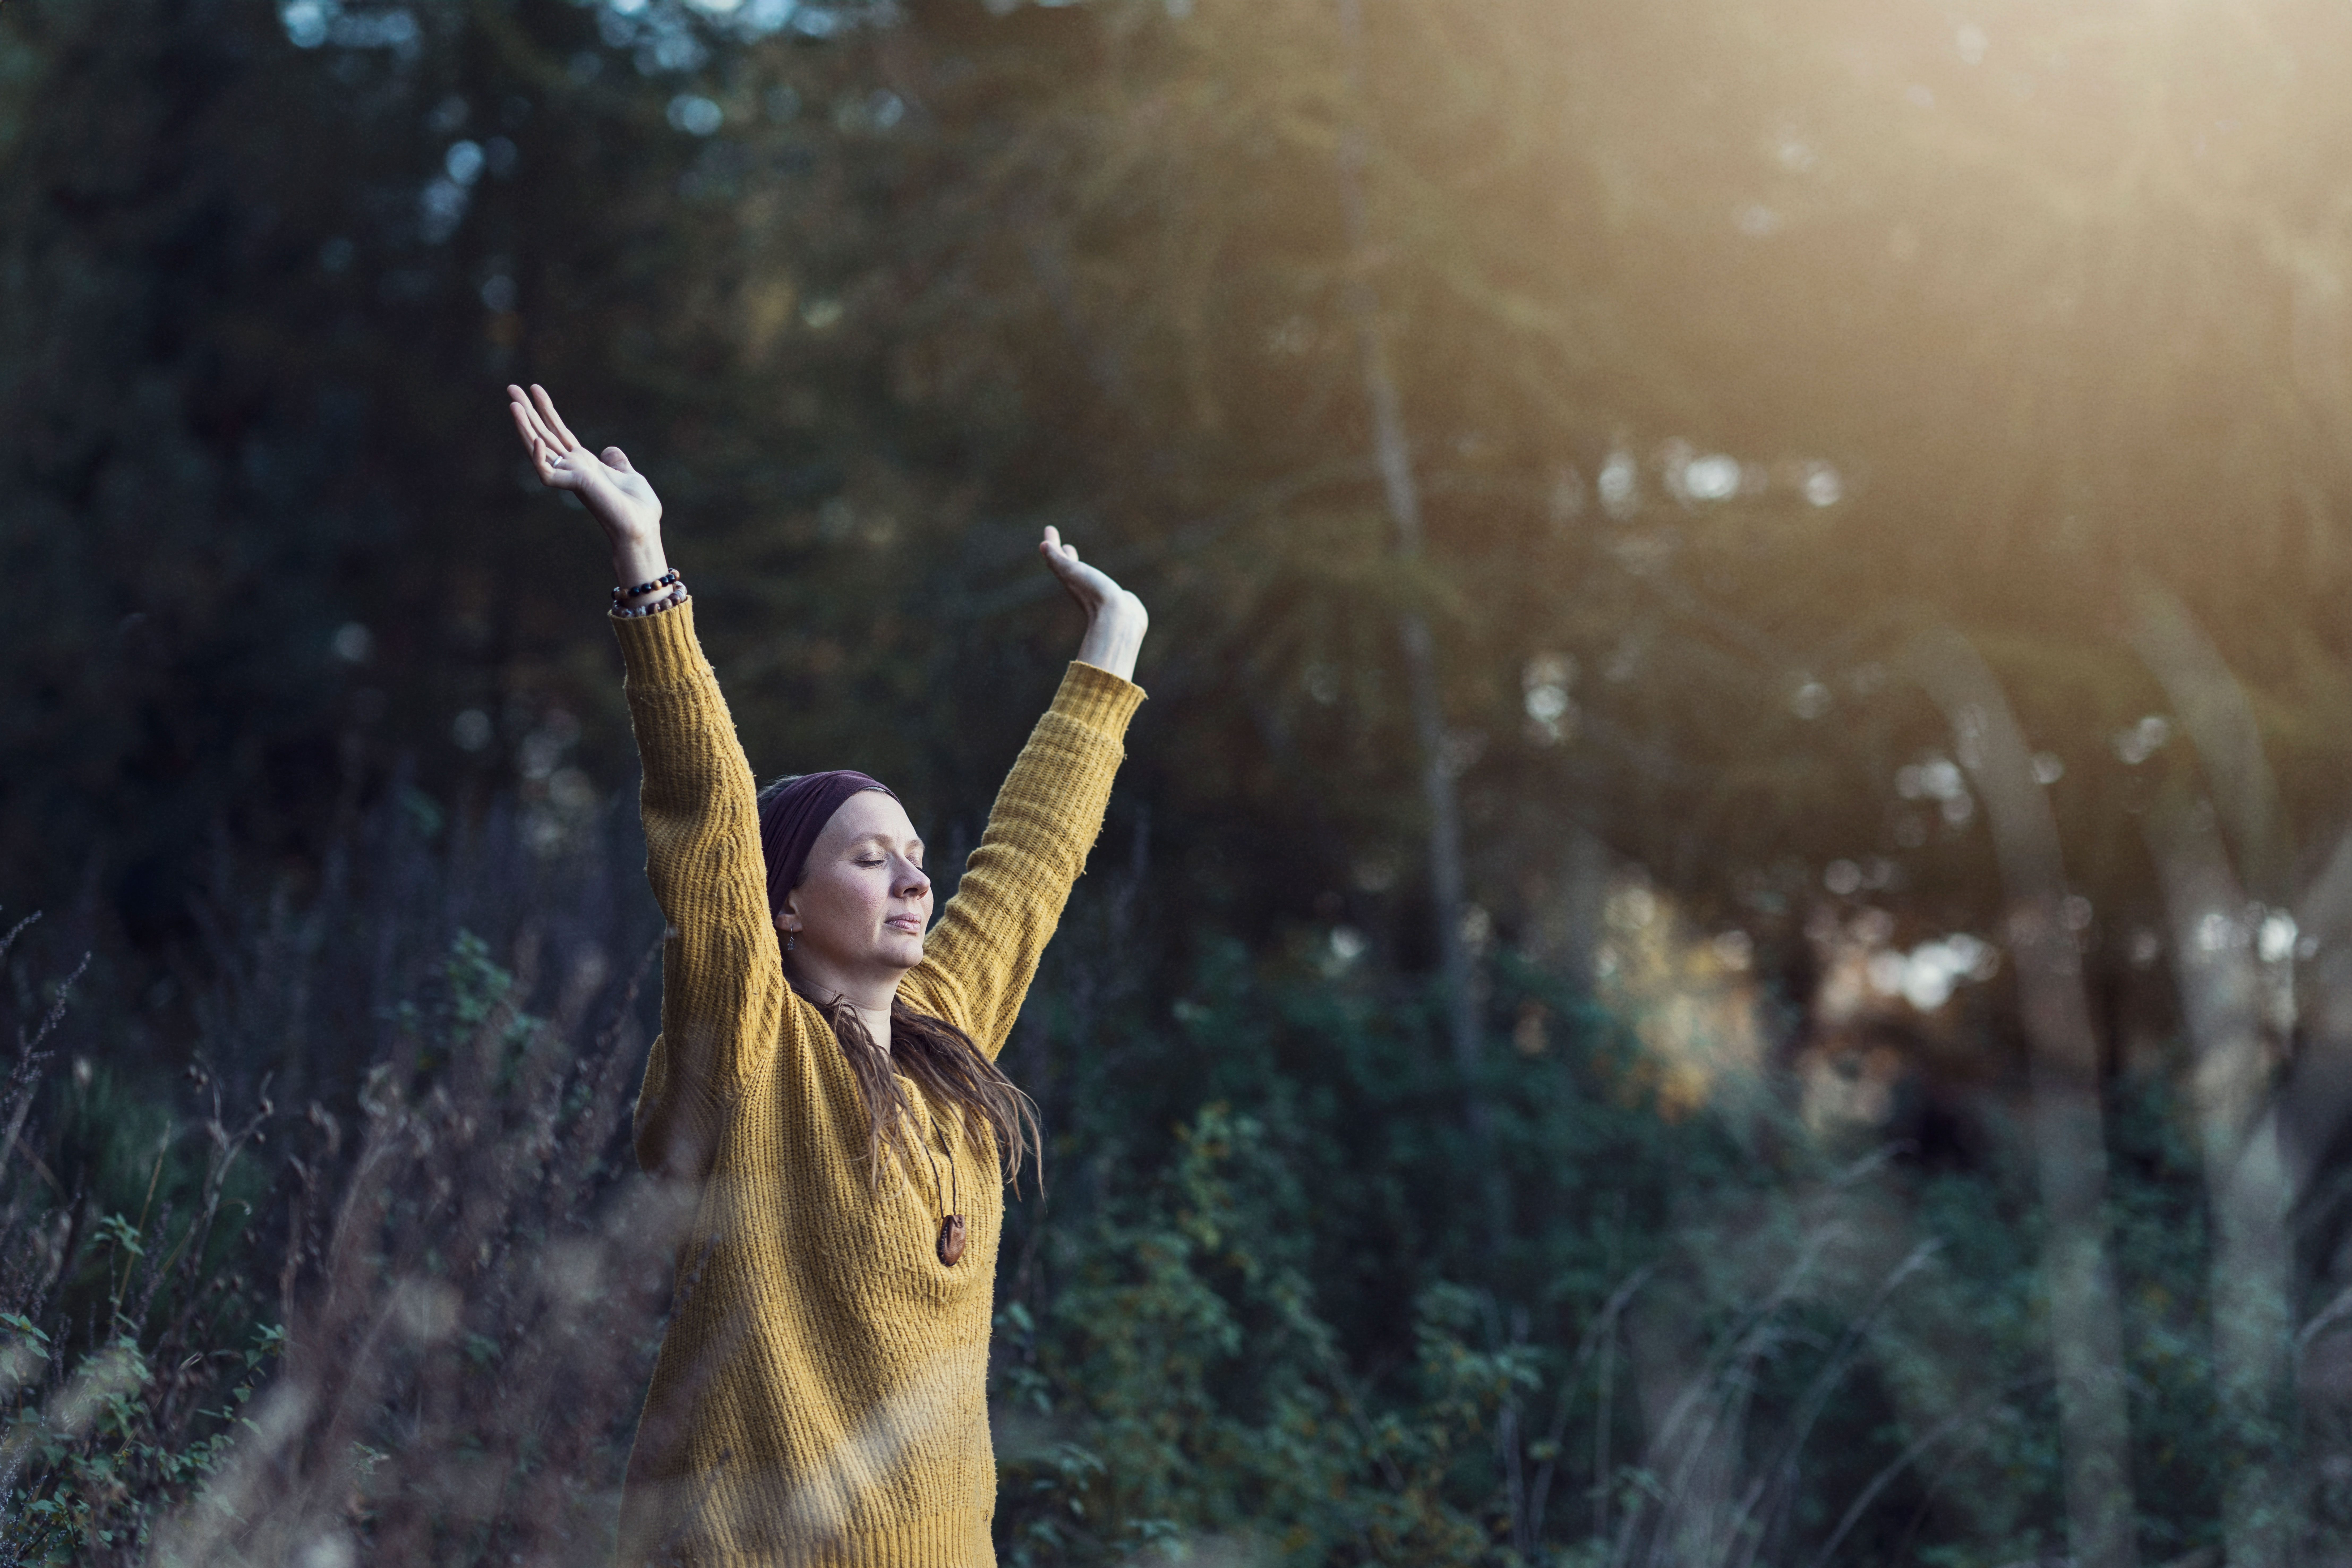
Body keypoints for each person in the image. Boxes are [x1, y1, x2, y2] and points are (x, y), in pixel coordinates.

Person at [505, 384, 1149, 1565]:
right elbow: (703, 829)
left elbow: (1028, 865)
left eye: (915, 856)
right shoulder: (752, 1051)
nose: (916, 879)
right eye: (871, 856)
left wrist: (1113, 645)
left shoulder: (948, 1036)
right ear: (785, 905)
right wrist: (648, 568)